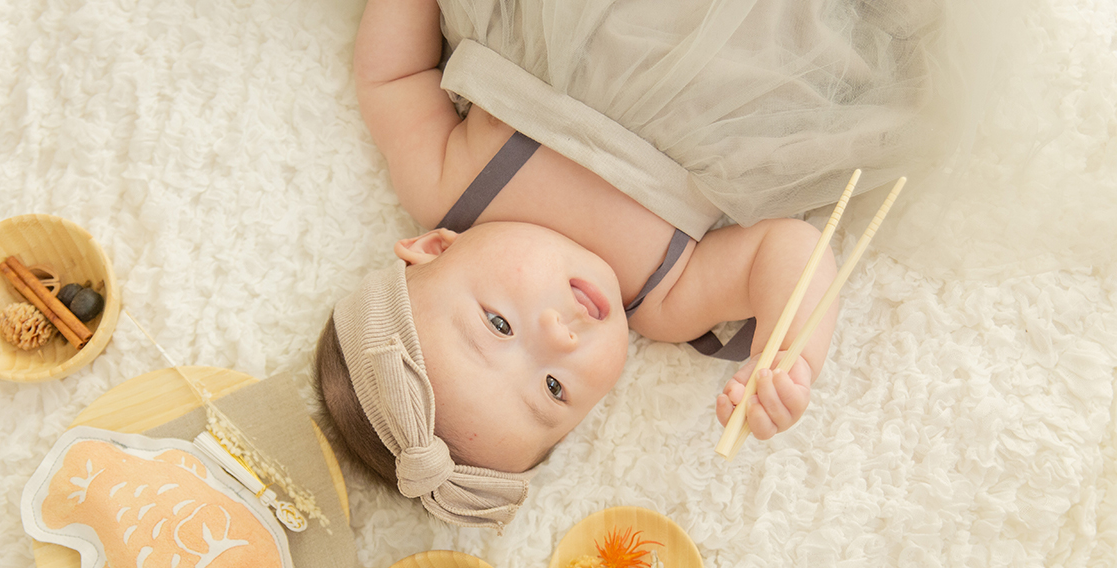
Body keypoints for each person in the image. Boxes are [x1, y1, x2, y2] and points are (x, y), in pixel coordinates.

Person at [314, 0, 977, 530]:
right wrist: (788, 356)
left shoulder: (446, 187)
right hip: (770, 54)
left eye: (497, 324)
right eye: (553, 389)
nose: (558, 335)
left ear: (434, 248)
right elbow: (792, 251)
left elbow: (390, 75)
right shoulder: (662, 299)